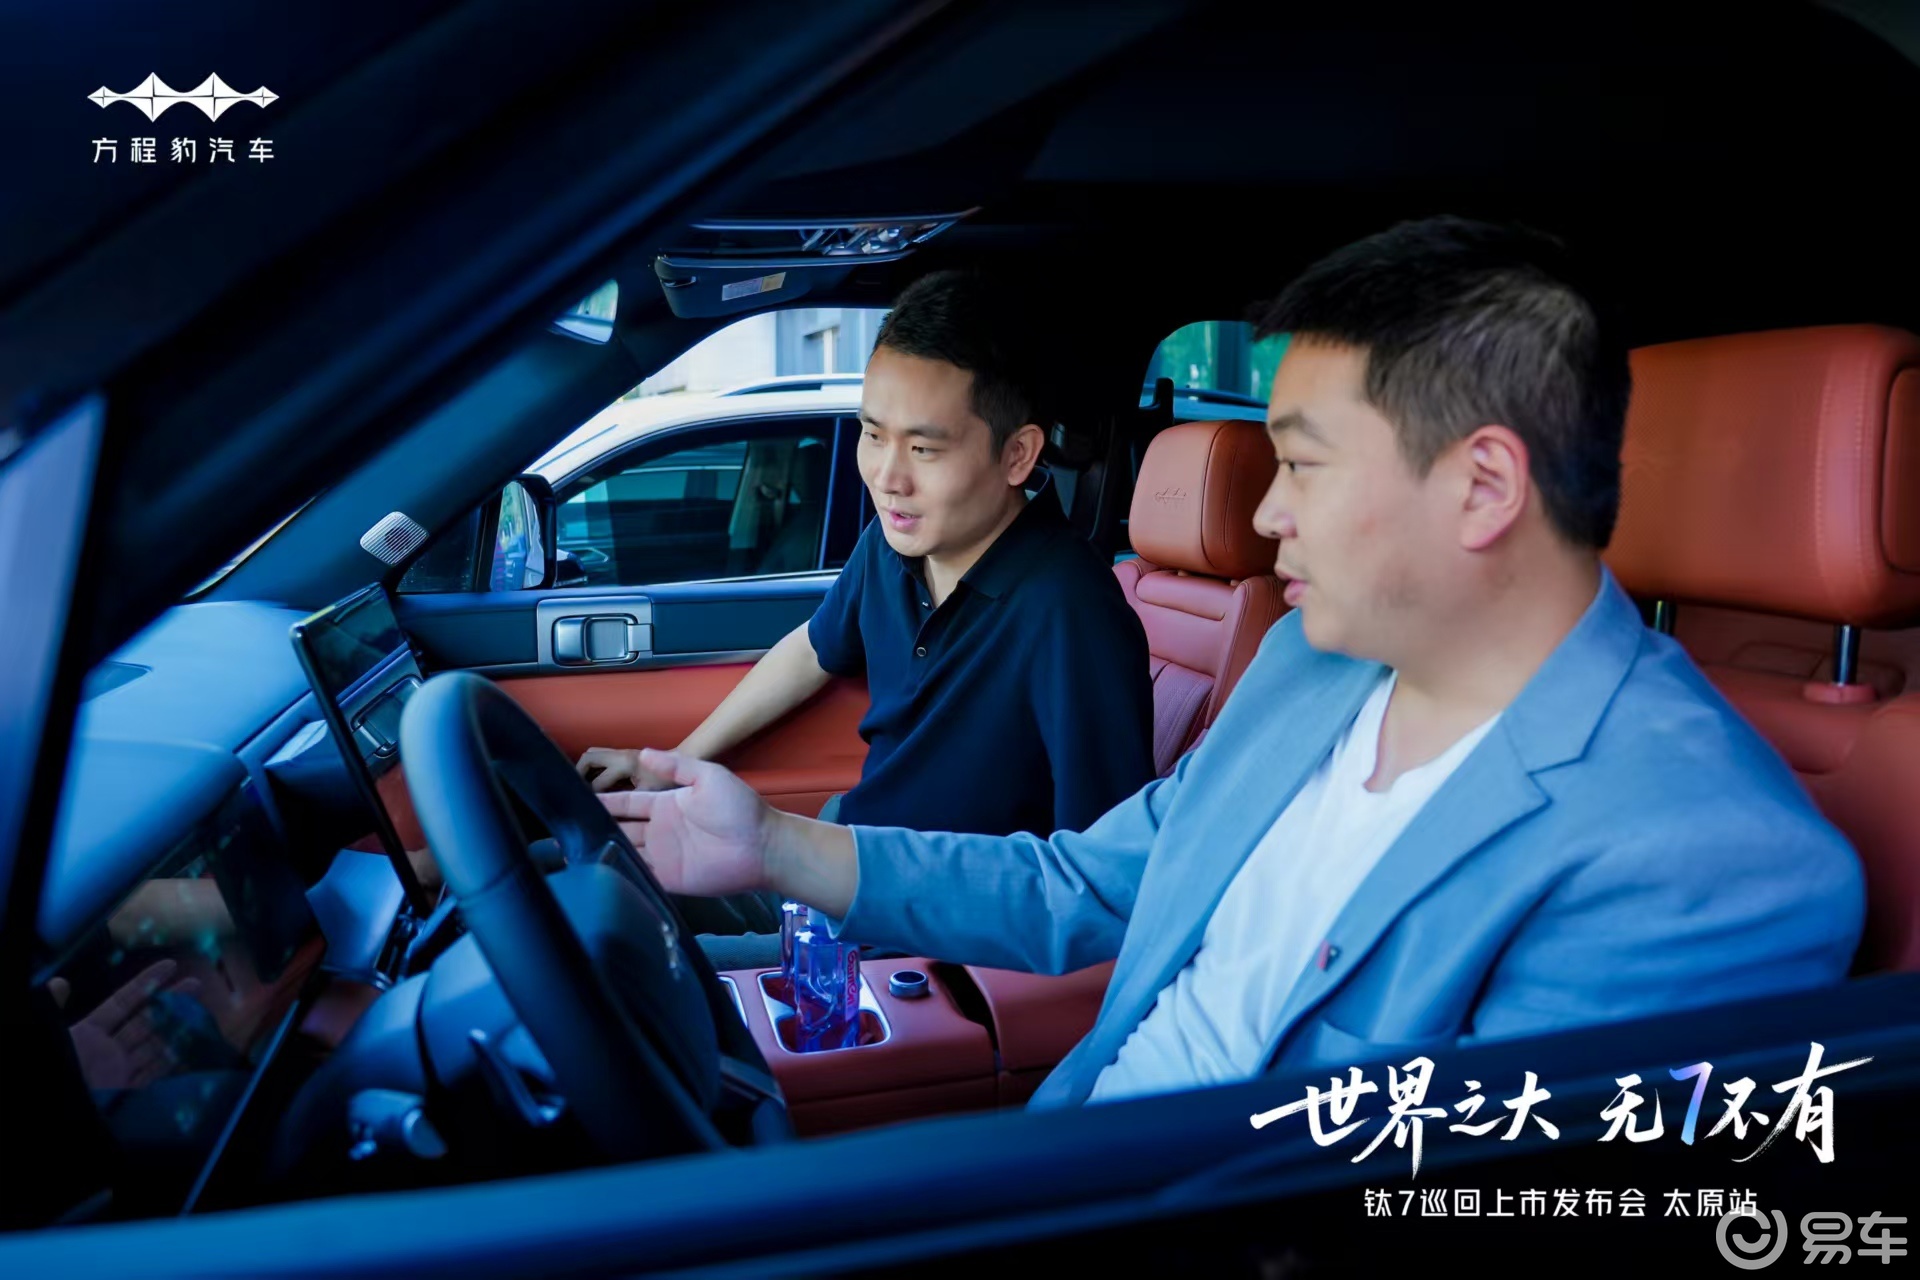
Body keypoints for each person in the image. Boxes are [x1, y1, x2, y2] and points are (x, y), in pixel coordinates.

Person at [601, 217, 1865, 1106]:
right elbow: (1085, 882)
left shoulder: (1706, 858)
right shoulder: (1314, 672)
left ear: (1483, 486)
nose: (1265, 516)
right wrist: (769, 845)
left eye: (1301, 464)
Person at [579, 270, 1157, 968]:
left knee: (613, 965)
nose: (887, 477)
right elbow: (813, 650)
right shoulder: (891, 546)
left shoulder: (1072, 611)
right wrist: (673, 765)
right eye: (873, 434)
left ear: (1017, 455)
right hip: (826, 864)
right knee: (578, 872)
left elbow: (1098, 879)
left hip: (917, 942)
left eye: (924, 449)